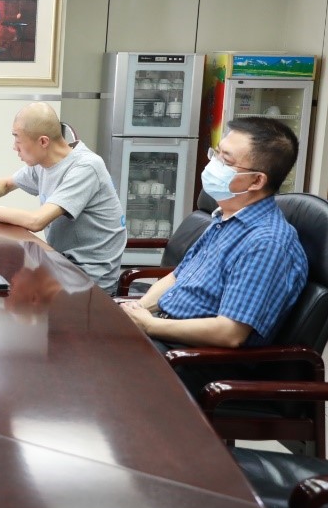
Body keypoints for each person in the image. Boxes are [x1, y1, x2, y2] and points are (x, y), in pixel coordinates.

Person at [120, 117, 306, 352]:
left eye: (225, 160)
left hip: (195, 356)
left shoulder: (266, 243)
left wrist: (150, 326)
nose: (214, 164)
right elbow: (177, 277)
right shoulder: (225, 218)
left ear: (257, 180)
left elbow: (229, 333)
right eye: (216, 153)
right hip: (166, 332)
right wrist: (138, 311)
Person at [0, 102, 126, 293]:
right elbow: (6, 184)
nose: (14, 147)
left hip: (89, 278)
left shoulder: (85, 167)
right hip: (61, 264)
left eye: (18, 139)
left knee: (13, 292)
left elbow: (36, 221)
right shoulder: (44, 162)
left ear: (43, 142)